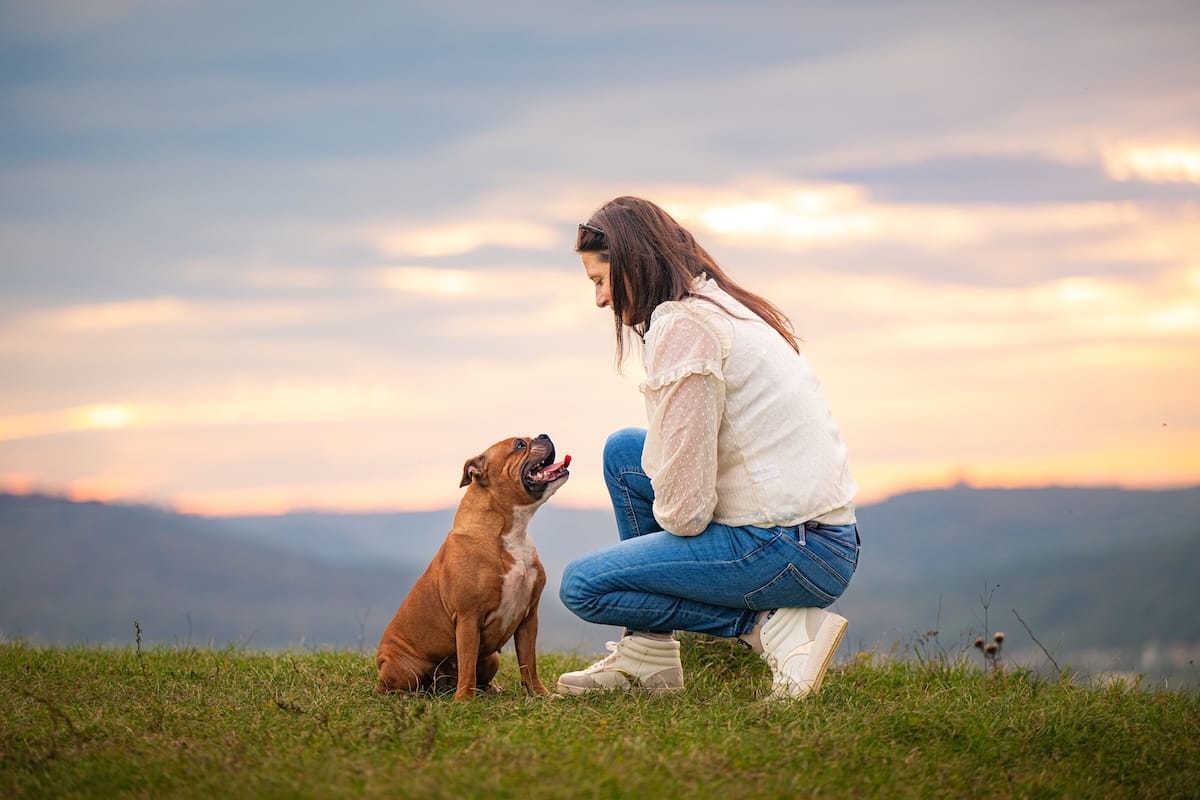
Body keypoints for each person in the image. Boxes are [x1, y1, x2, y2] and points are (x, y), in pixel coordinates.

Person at [557, 196, 860, 700]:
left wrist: (659, 553)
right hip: (822, 540)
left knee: (585, 586)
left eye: (600, 280)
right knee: (624, 453)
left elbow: (685, 515)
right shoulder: (717, 304)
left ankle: (769, 630)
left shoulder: (684, 326)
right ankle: (648, 656)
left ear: (633, 264)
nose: (600, 300)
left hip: (791, 550)